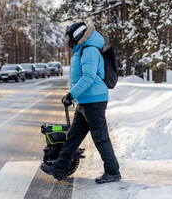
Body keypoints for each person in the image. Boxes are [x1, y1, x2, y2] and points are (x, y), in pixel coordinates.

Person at [40, 21, 121, 184]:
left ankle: (113, 171)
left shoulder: (90, 50)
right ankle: (60, 168)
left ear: (77, 35)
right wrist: (74, 96)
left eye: (69, 36)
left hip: (94, 100)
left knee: (100, 137)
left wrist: (71, 94)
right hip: (85, 100)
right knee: (73, 137)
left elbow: (89, 77)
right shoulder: (83, 50)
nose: (68, 39)